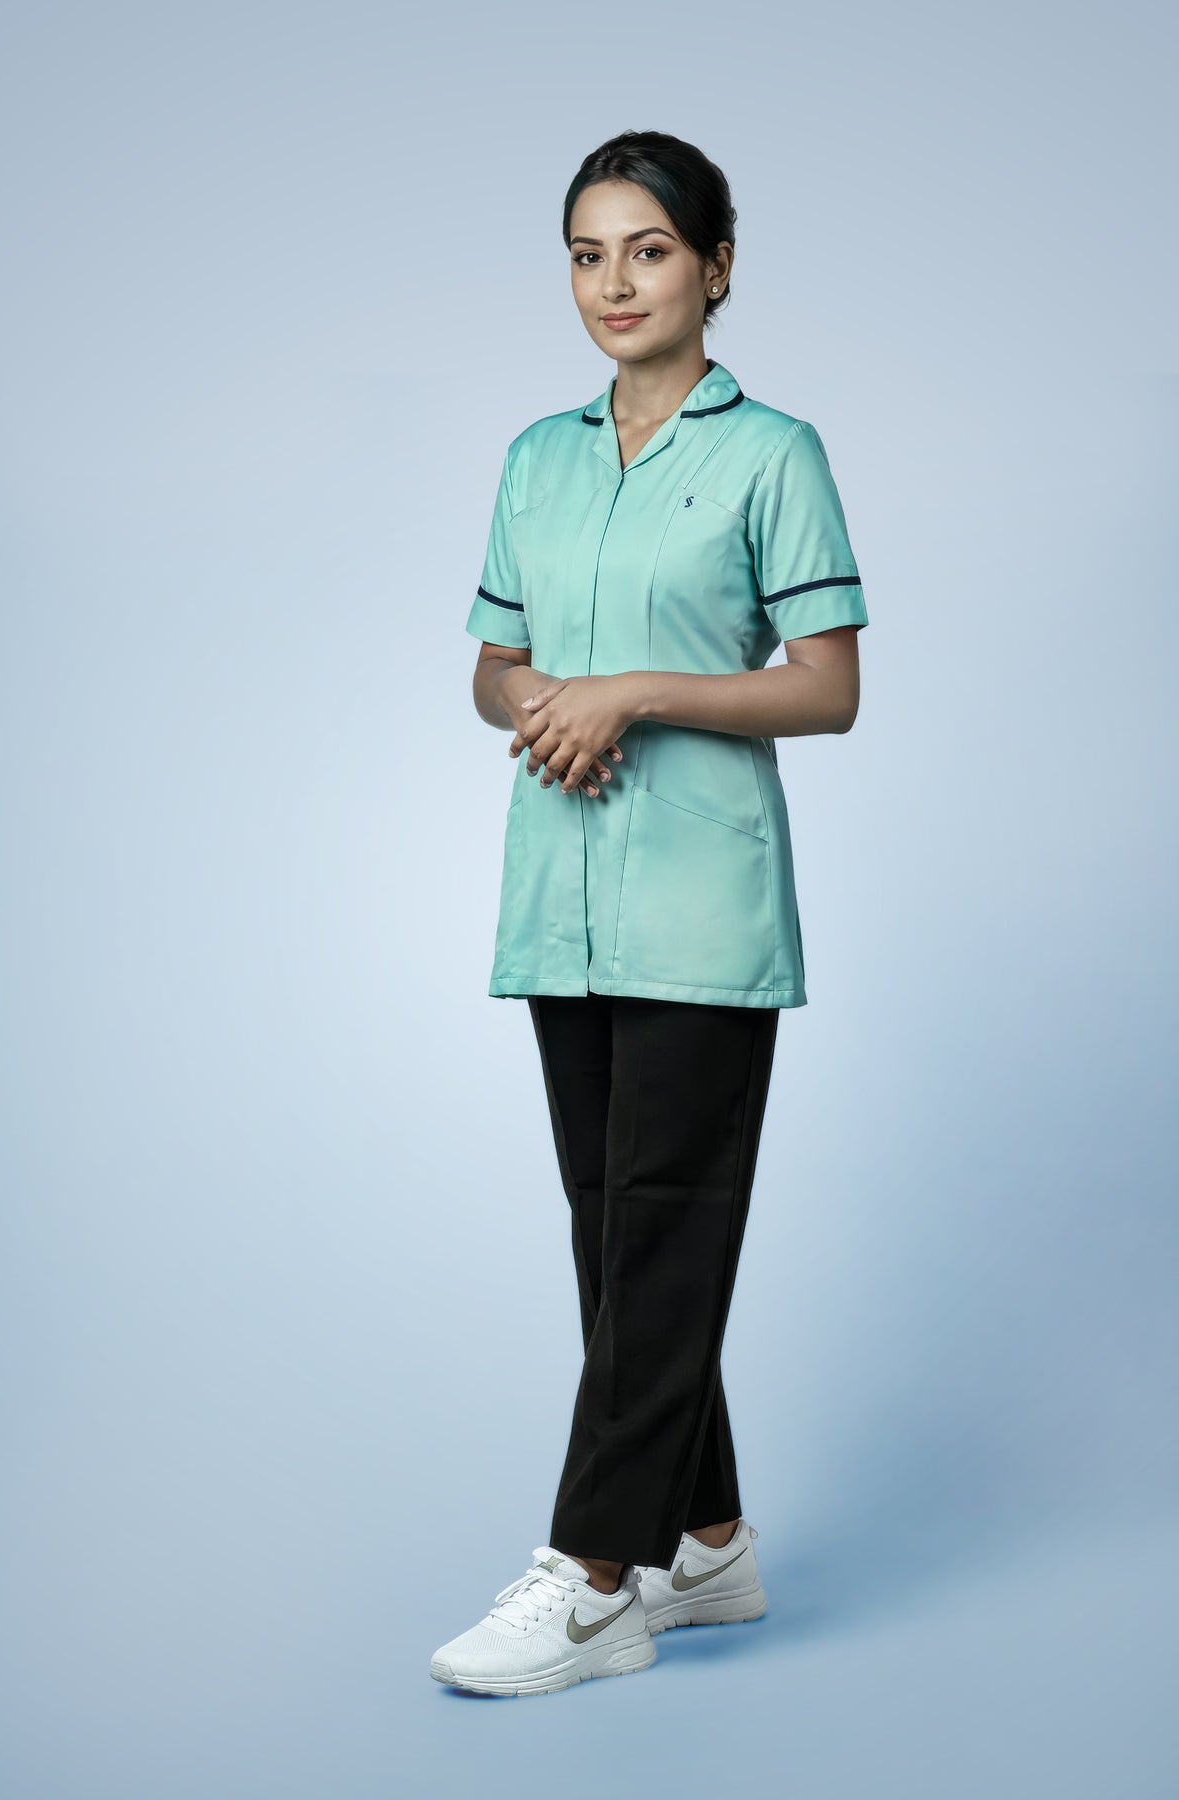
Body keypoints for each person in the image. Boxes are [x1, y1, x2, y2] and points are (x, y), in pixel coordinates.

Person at [430, 130, 869, 1698]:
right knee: (618, 1237)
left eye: (650, 249)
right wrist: (547, 698)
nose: (614, 283)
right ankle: (711, 1540)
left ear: (716, 265)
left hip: (699, 902)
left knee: (666, 1227)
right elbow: (493, 667)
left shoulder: (774, 454)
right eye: (586, 253)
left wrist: (634, 693)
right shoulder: (537, 459)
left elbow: (828, 688)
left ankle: (595, 1576)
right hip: (561, 894)